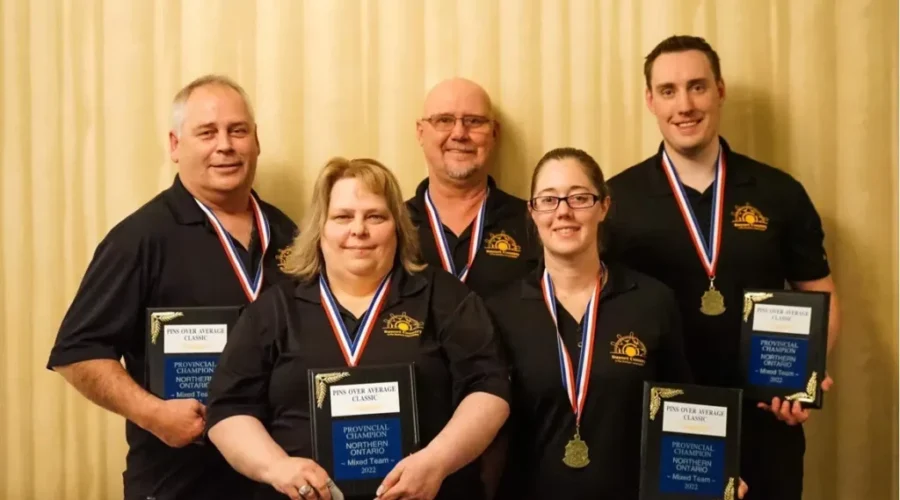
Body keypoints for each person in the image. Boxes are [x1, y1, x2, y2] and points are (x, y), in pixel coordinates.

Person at [604, 35, 841, 500]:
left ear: (720, 90)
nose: (685, 105)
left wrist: (802, 379)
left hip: (764, 422)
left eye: (697, 86)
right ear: (650, 100)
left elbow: (821, 291)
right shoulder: (616, 201)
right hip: (665, 427)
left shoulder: (779, 192)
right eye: (668, 90)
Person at [45, 74, 299, 500]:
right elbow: (77, 352)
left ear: (256, 141)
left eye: (238, 131)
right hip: (180, 482)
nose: (225, 145)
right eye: (207, 132)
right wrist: (154, 414)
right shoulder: (140, 238)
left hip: (278, 479)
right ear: (175, 145)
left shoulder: (290, 233)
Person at [204, 157, 511, 500]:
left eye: (375, 216)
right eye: (343, 217)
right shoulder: (274, 310)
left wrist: (437, 461)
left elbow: (490, 389)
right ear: (320, 228)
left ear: (398, 227)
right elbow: (228, 408)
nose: (359, 230)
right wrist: (276, 467)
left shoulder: (445, 298)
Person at [486, 148, 748, 499]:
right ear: (532, 212)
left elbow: (679, 407)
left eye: (579, 198)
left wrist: (711, 472)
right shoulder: (499, 312)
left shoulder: (652, 302)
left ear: (604, 206)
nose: (563, 211)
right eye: (548, 200)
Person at [407, 77, 540, 298]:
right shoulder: (392, 226)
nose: (459, 134)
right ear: (421, 132)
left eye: (474, 121)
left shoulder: (534, 222)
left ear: (494, 133)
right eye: (444, 120)